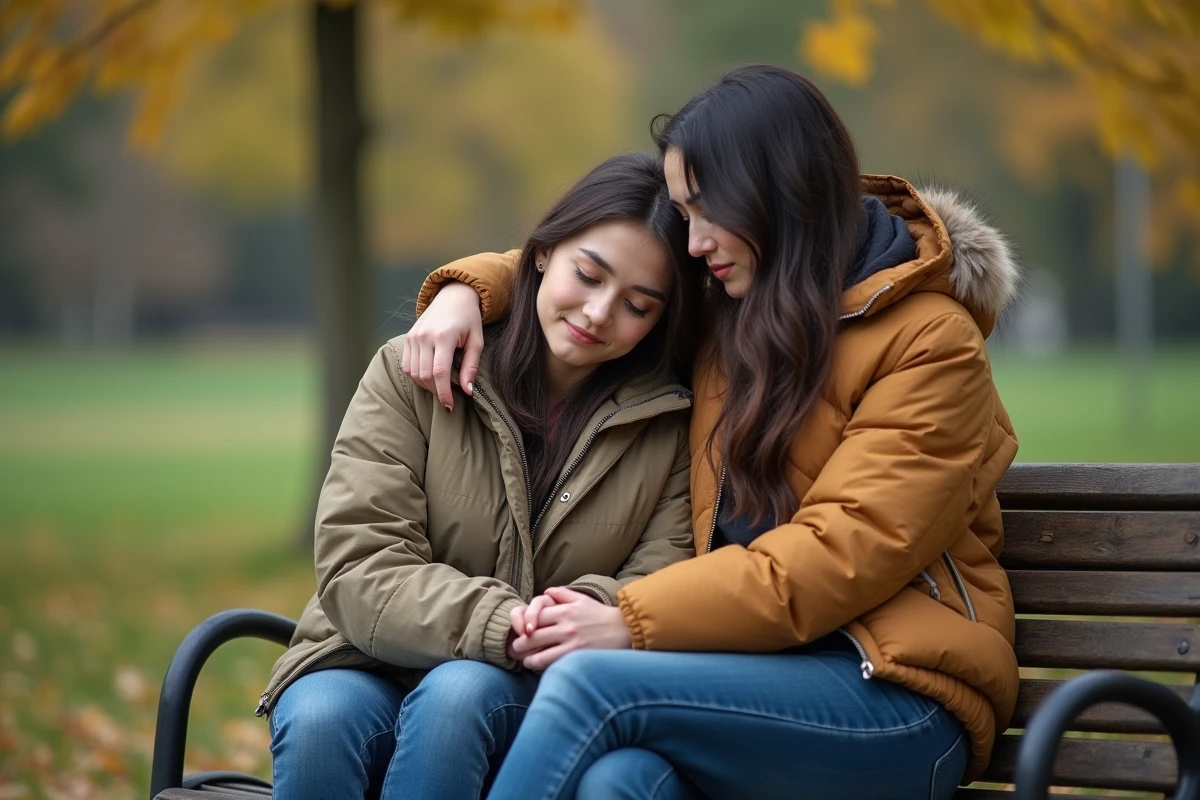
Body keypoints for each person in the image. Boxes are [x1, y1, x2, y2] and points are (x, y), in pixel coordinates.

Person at [403, 64, 1022, 800]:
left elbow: (838, 555)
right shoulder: (737, 302)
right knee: (621, 783)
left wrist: (630, 621)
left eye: (703, 211)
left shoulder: (930, 343)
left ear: (773, 192)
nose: (692, 242)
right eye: (682, 213)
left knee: (591, 684)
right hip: (745, 674)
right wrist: (465, 293)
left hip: (897, 696)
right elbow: (586, 260)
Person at [262, 152, 706, 800]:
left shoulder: (670, 425)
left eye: (637, 304)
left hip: (533, 685)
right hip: (364, 655)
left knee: (457, 694)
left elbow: (658, 578)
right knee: (321, 719)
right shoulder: (412, 368)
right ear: (546, 250)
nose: (598, 313)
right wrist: (502, 621)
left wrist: (578, 616)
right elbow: (359, 563)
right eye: (589, 275)